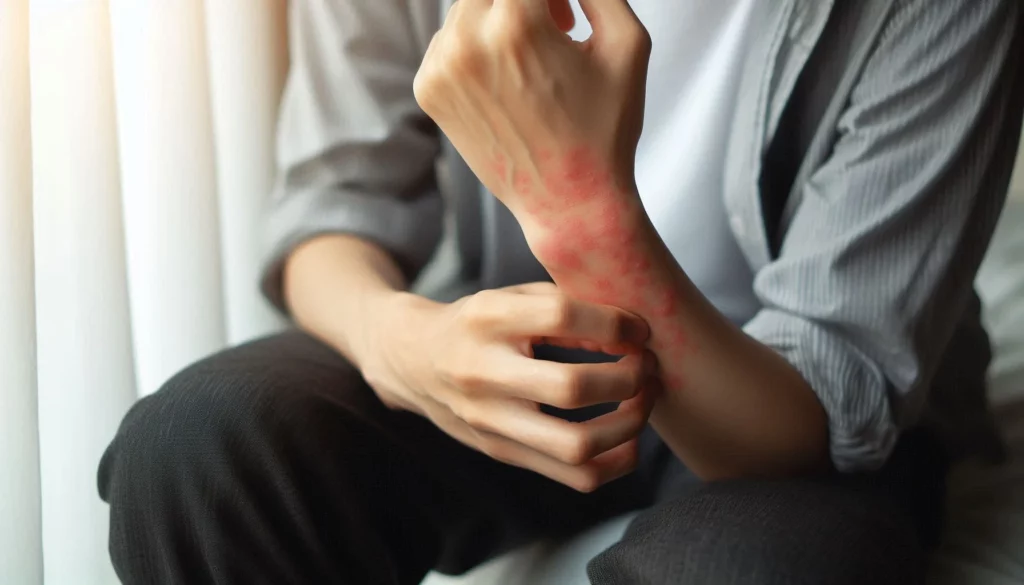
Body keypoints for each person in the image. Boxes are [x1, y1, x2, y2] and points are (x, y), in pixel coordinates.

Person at [98, 1, 1024, 583]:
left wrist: (582, 214)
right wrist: (400, 346)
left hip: (780, 415)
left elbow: (829, 396)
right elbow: (331, 207)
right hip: (520, 342)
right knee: (198, 443)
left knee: (742, 570)